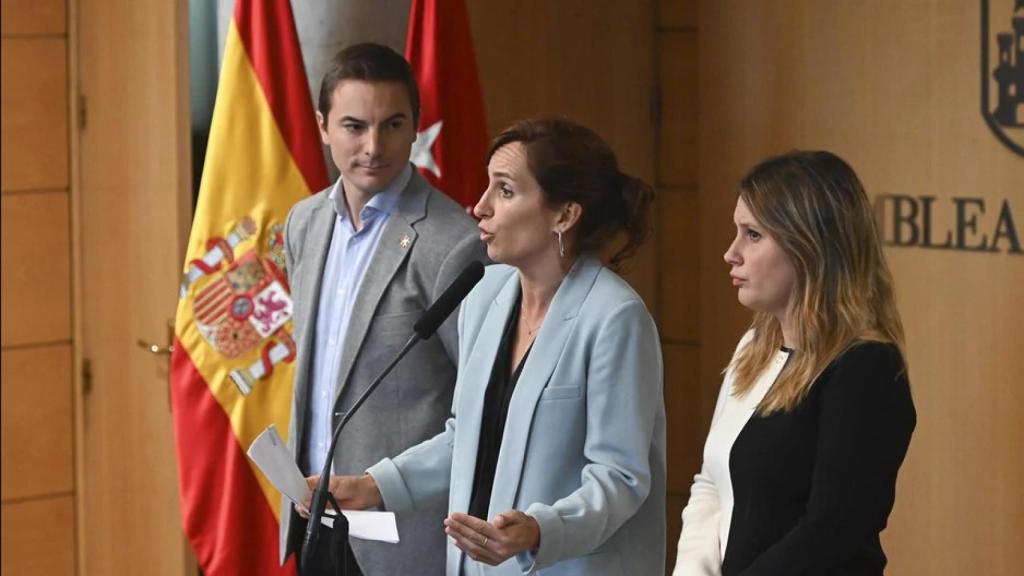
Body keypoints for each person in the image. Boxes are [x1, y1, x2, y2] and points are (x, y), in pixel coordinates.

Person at [304, 118, 667, 575]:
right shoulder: (485, 295)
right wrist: (375, 485)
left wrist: (539, 528)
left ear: (564, 215)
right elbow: (467, 438)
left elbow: (621, 478)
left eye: (506, 191)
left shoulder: (614, 317)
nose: (479, 207)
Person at [279, 43, 486, 575]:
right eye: (354, 126)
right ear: (322, 126)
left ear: (416, 126)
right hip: (313, 518)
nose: (373, 147)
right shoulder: (303, 224)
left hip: (400, 534)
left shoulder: (452, 242)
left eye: (392, 125)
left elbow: (483, 406)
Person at [673, 150, 917, 575]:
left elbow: (832, 529)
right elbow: (712, 483)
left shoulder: (866, 367)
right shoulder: (754, 347)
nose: (731, 253)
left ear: (810, 245)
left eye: (752, 235)